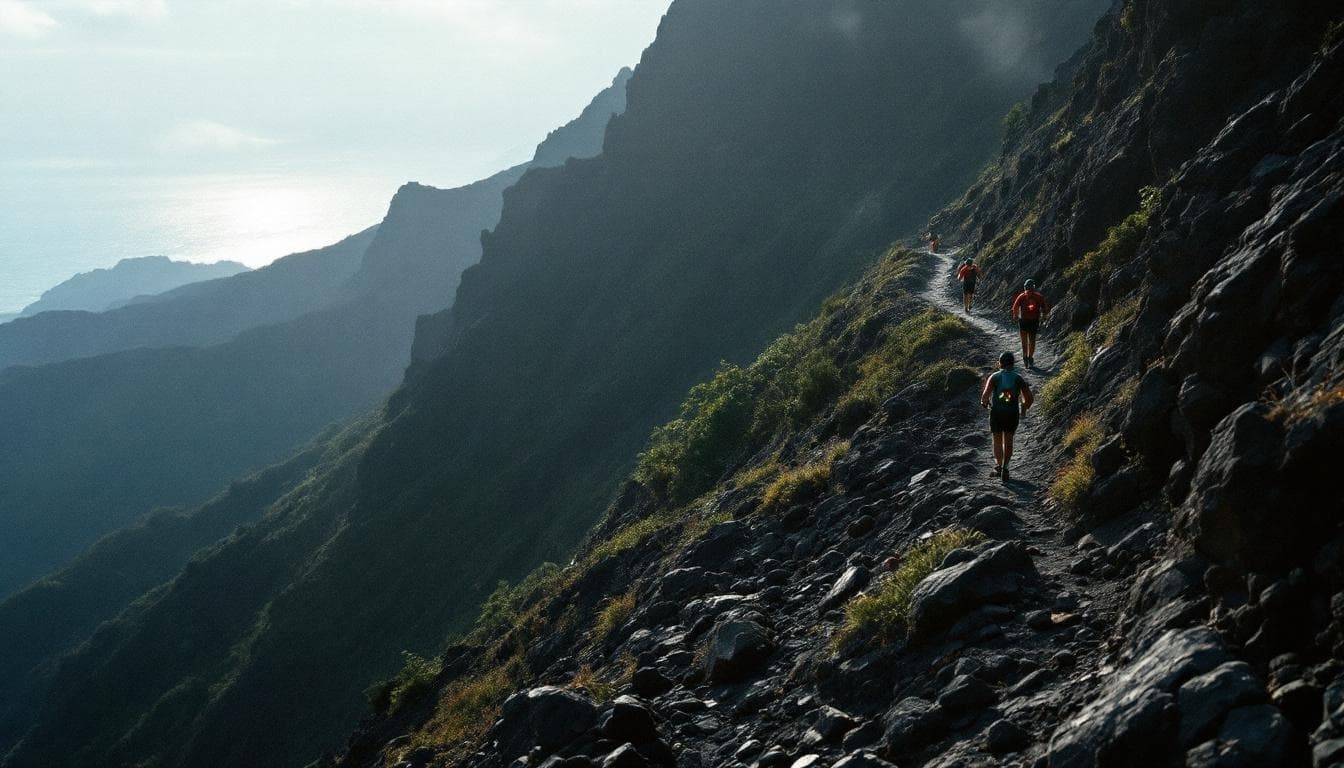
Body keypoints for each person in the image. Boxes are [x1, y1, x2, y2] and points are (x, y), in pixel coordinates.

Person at [980, 351, 1033, 481]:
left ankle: (998, 466)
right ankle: (1006, 467)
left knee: (997, 439)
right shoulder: (1018, 378)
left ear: (1000, 363)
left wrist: (985, 404)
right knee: (1008, 440)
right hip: (1011, 413)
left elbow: (985, 396)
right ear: (1013, 364)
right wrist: (1024, 408)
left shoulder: (994, 377)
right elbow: (1029, 398)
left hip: (996, 413)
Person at [1011, 279, 1049, 368]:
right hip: (1034, 321)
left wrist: (1015, 316)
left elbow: (1015, 307)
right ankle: (1030, 358)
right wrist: (1044, 316)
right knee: (1032, 341)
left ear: (1025, 287)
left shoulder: (1021, 296)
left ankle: (1025, 358)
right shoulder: (1039, 296)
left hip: (1023, 321)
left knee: (1024, 342)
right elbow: (1044, 307)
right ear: (1034, 287)